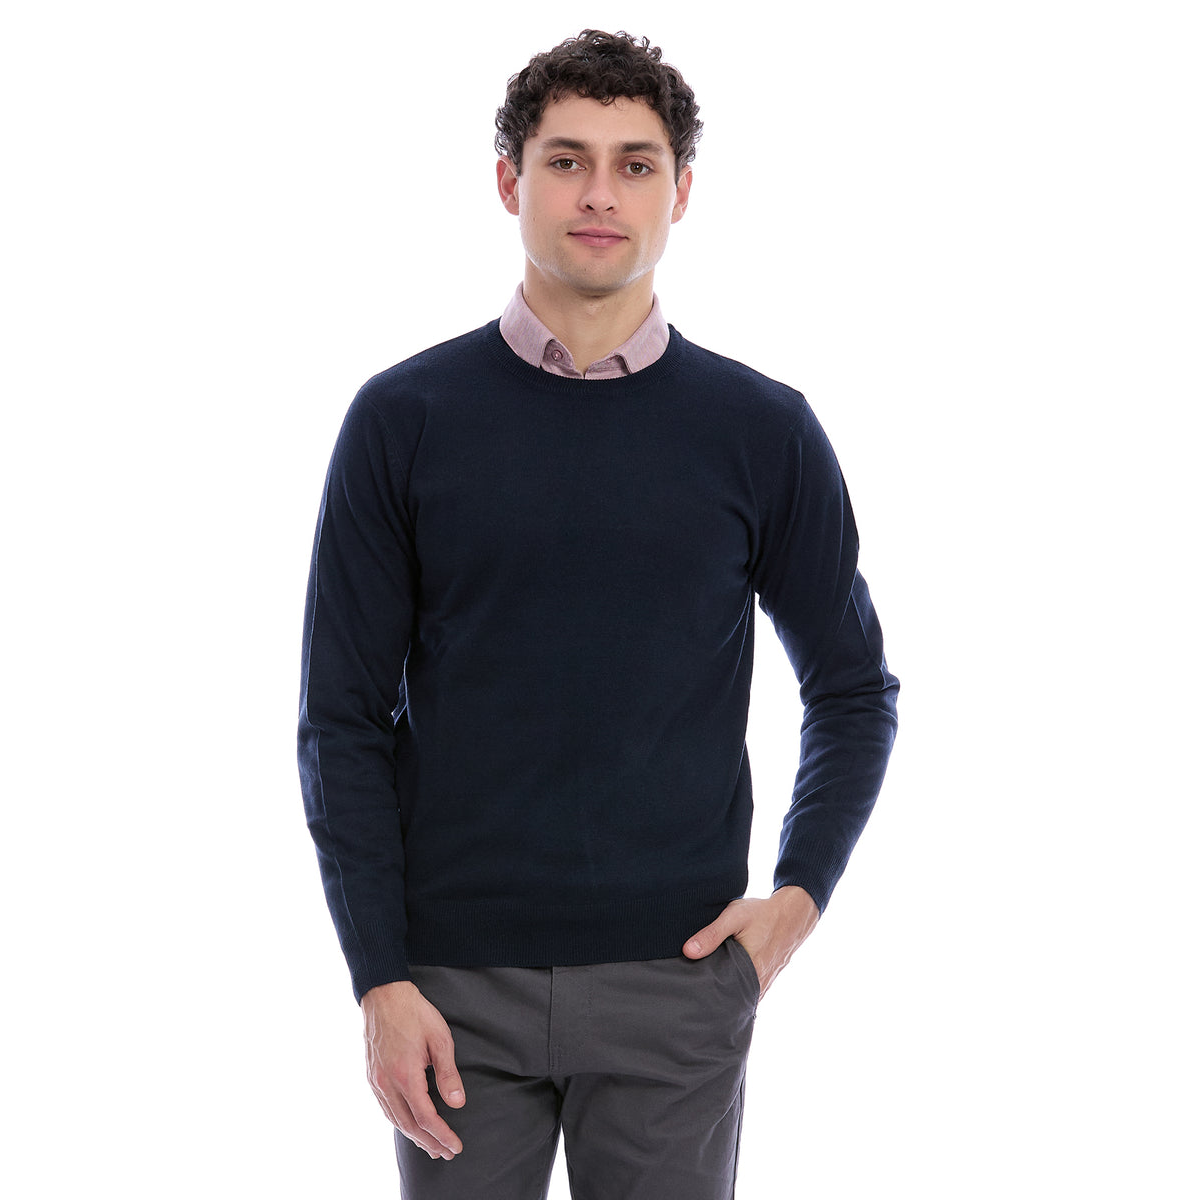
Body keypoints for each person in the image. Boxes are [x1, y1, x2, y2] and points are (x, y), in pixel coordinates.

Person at [298, 28, 899, 1200]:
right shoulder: (402, 420)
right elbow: (341, 721)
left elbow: (852, 689)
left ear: (682, 191)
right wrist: (379, 979)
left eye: (635, 164)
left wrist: (796, 900)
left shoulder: (761, 430)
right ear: (509, 180)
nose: (600, 194)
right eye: (567, 159)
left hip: (677, 983)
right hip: (452, 992)